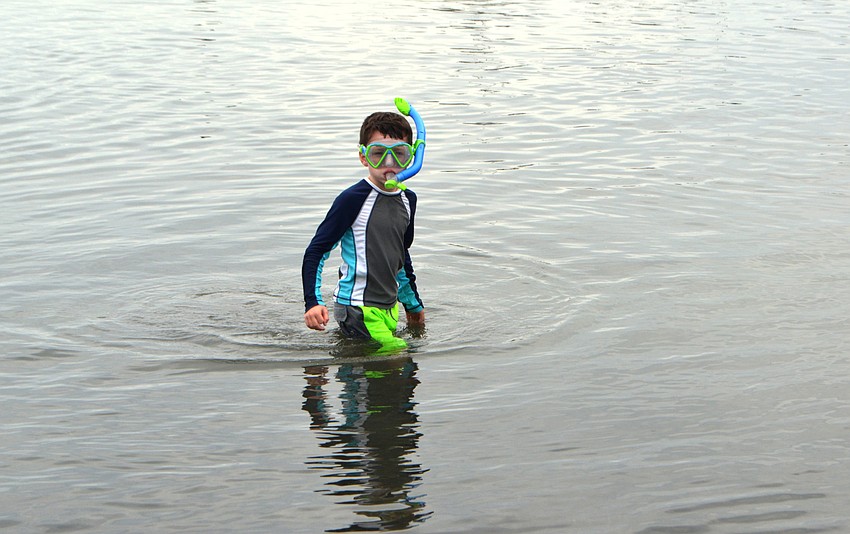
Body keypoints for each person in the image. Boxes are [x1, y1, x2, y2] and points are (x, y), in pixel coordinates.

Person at [302, 111, 425, 351]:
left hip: (388, 308)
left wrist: (412, 304)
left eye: (399, 154)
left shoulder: (408, 199)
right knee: (397, 354)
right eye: (378, 154)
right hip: (356, 306)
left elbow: (401, 256)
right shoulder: (352, 199)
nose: (389, 164)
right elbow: (316, 251)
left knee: (392, 382)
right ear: (363, 157)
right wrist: (313, 303)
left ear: (411, 157)